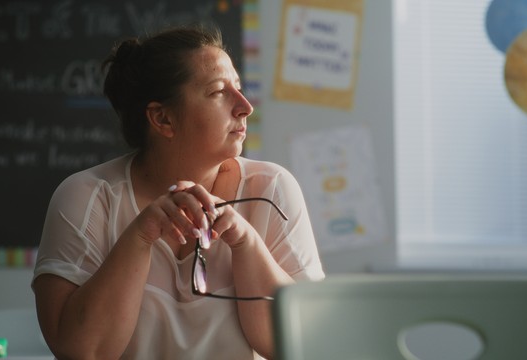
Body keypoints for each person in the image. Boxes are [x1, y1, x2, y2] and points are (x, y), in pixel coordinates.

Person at [31, 25, 325, 360]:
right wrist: (140, 236)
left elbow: (304, 345)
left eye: (239, 89)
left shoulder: (271, 189)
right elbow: (83, 352)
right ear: (162, 118)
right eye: (218, 92)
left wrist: (246, 242)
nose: (245, 106)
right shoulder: (86, 197)